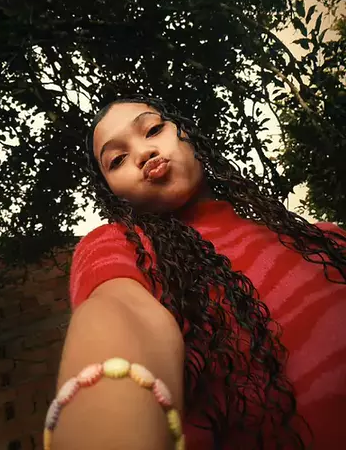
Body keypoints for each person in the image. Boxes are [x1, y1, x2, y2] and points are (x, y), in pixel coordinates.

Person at [47, 95, 346, 450]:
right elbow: (121, 311)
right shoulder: (121, 246)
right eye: (117, 159)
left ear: (187, 134)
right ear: (112, 192)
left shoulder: (325, 241)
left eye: (153, 130)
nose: (143, 152)